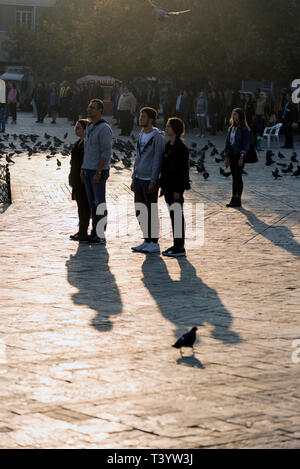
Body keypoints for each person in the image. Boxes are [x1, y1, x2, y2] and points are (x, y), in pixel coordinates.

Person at [131, 107, 165, 254]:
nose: (140, 118)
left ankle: (154, 242)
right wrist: (133, 176)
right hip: (139, 178)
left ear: (151, 119)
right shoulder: (141, 134)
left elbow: (158, 159)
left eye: (143, 116)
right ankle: (146, 240)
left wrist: (153, 180)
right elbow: (137, 157)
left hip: (149, 179)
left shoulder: (157, 137)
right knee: (140, 211)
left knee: (151, 211)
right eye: (140, 116)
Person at [81, 99, 112, 244]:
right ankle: (94, 232)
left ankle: (100, 234)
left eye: (92, 107)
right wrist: (83, 168)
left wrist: (99, 171)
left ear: (100, 110)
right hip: (87, 169)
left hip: (97, 171)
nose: (89, 109)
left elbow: (106, 152)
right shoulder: (89, 126)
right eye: (88, 106)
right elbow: (87, 150)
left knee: (99, 203)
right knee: (92, 203)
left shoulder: (104, 128)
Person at [160, 117, 190, 258]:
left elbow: (183, 171)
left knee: (178, 216)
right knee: (173, 216)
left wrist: (179, 190)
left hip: (176, 188)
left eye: (168, 126)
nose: (166, 128)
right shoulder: (167, 146)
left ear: (175, 129)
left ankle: (180, 247)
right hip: (167, 186)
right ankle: (176, 243)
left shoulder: (181, 148)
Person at [69, 119, 91, 241]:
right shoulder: (78, 142)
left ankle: (84, 231)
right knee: (79, 205)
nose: (76, 129)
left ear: (85, 130)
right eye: (75, 127)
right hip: (76, 178)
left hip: (83, 178)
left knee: (85, 205)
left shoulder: (87, 144)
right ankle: (81, 230)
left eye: (79, 128)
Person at [224, 108, 250, 208]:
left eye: (235, 114)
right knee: (234, 177)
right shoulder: (231, 128)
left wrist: (242, 157)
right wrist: (226, 157)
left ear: (240, 116)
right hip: (231, 154)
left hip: (239, 154)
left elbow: (245, 144)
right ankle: (233, 198)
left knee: (238, 177)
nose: (233, 116)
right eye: (232, 114)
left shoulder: (244, 129)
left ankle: (238, 199)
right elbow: (228, 143)